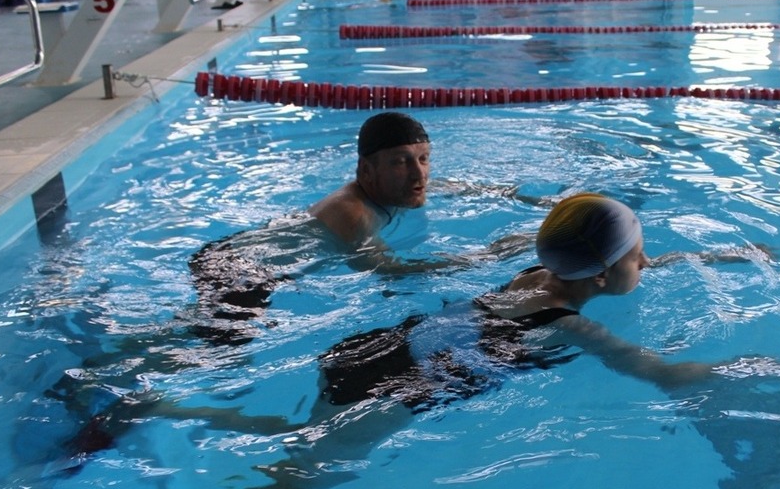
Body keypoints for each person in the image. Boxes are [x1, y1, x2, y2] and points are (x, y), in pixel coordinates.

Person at [59, 193, 780, 489]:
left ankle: (158, 407)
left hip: (369, 352)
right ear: (603, 276)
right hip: (389, 395)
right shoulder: (571, 325)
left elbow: (604, 261)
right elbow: (665, 375)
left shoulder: (535, 277)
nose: (650, 260)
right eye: (641, 252)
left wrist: (711, 255)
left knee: (300, 433)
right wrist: (755, 367)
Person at [187, 111, 530, 345]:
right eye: (401, 162)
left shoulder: (401, 188)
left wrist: (533, 201)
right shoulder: (353, 214)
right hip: (241, 272)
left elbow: (463, 188)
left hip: (242, 257)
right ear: (366, 170)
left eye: (423, 158)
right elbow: (389, 271)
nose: (419, 174)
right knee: (207, 350)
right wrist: (487, 256)